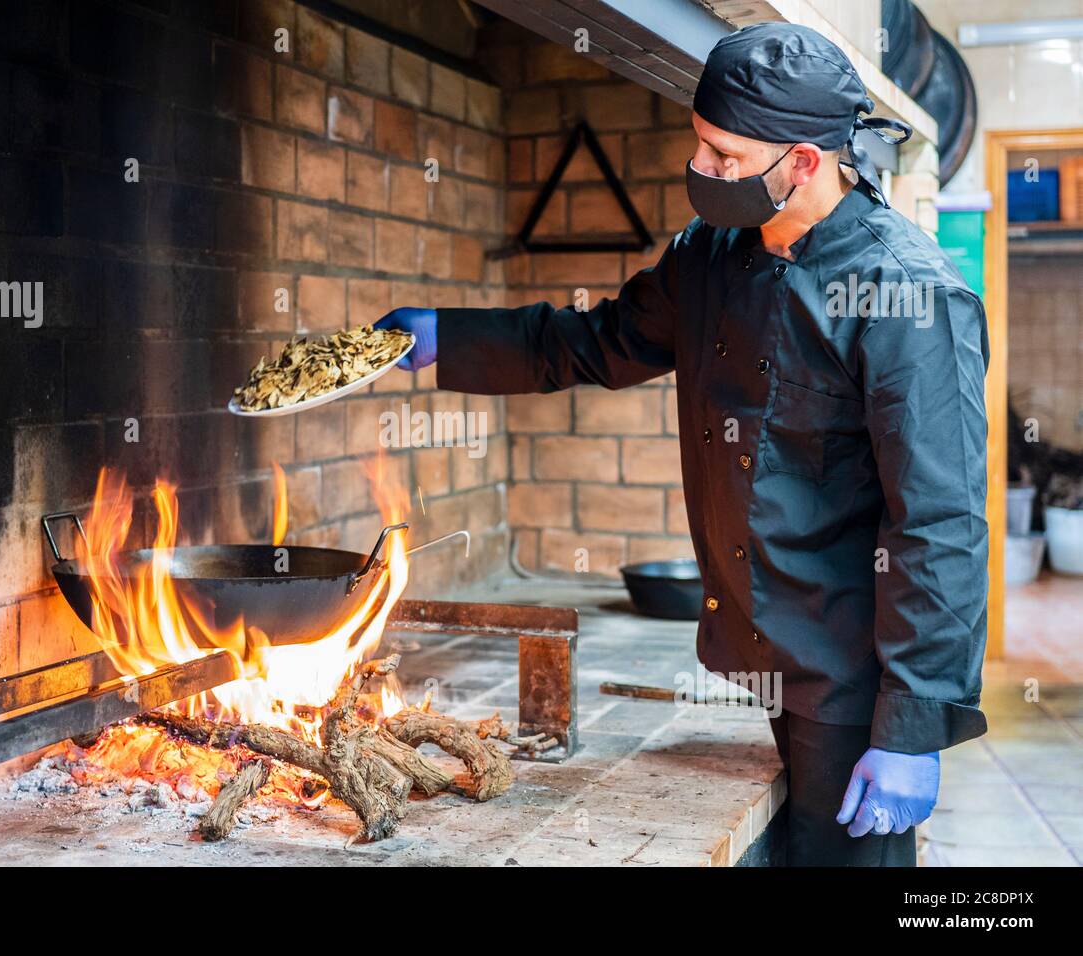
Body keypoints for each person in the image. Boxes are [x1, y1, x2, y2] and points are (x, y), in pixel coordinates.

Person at [376, 23, 990, 866]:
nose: (702, 170)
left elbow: (940, 523)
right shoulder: (710, 258)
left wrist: (915, 727)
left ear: (807, 162)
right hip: (748, 647)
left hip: (849, 680)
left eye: (726, 157)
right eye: (699, 146)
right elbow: (595, 341)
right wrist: (452, 335)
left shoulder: (910, 297)